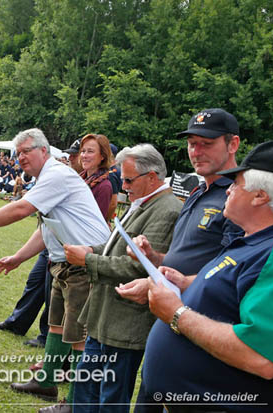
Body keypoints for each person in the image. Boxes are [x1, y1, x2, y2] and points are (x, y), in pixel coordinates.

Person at [0, 128, 110, 402]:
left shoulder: (56, 174)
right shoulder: (47, 177)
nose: (20, 157)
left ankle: (78, 402)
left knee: (80, 336)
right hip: (65, 263)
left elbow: (21, 209)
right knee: (55, 324)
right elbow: (47, 227)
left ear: (44, 151)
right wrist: (19, 257)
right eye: (17, 152)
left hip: (86, 264)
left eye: (26, 151)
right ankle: (45, 383)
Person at [117, 108, 245, 412]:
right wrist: (153, 257)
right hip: (169, 325)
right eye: (191, 144)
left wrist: (153, 283)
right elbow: (183, 256)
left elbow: (229, 273)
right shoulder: (199, 191)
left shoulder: (239, 199)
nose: (196, 152)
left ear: (233, 144)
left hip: (202, 329)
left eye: (207, 143)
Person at [141, 140, 273, 412]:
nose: (228, 190)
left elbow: (263, 357)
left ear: (260, 196)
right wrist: (184, 284)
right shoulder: (254, 241)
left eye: (236, 183)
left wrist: (177, 314)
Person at [61, 144, 183, 413]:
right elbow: (118, 247)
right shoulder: (145, 202)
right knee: (85, 389)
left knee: (110, 398)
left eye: (128, 179)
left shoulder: (167, 210)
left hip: (126, 323)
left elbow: (139, 269)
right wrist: (93, 251)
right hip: (105, 317)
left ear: (152, 177)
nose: (124, 185)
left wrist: (88, 260)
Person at [78, 134, 113, 219]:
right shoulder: (79, 179)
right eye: (83, 151)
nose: (84, 156)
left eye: (90, 151)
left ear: (102, 156)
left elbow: (96, 222)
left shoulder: (104, 186)